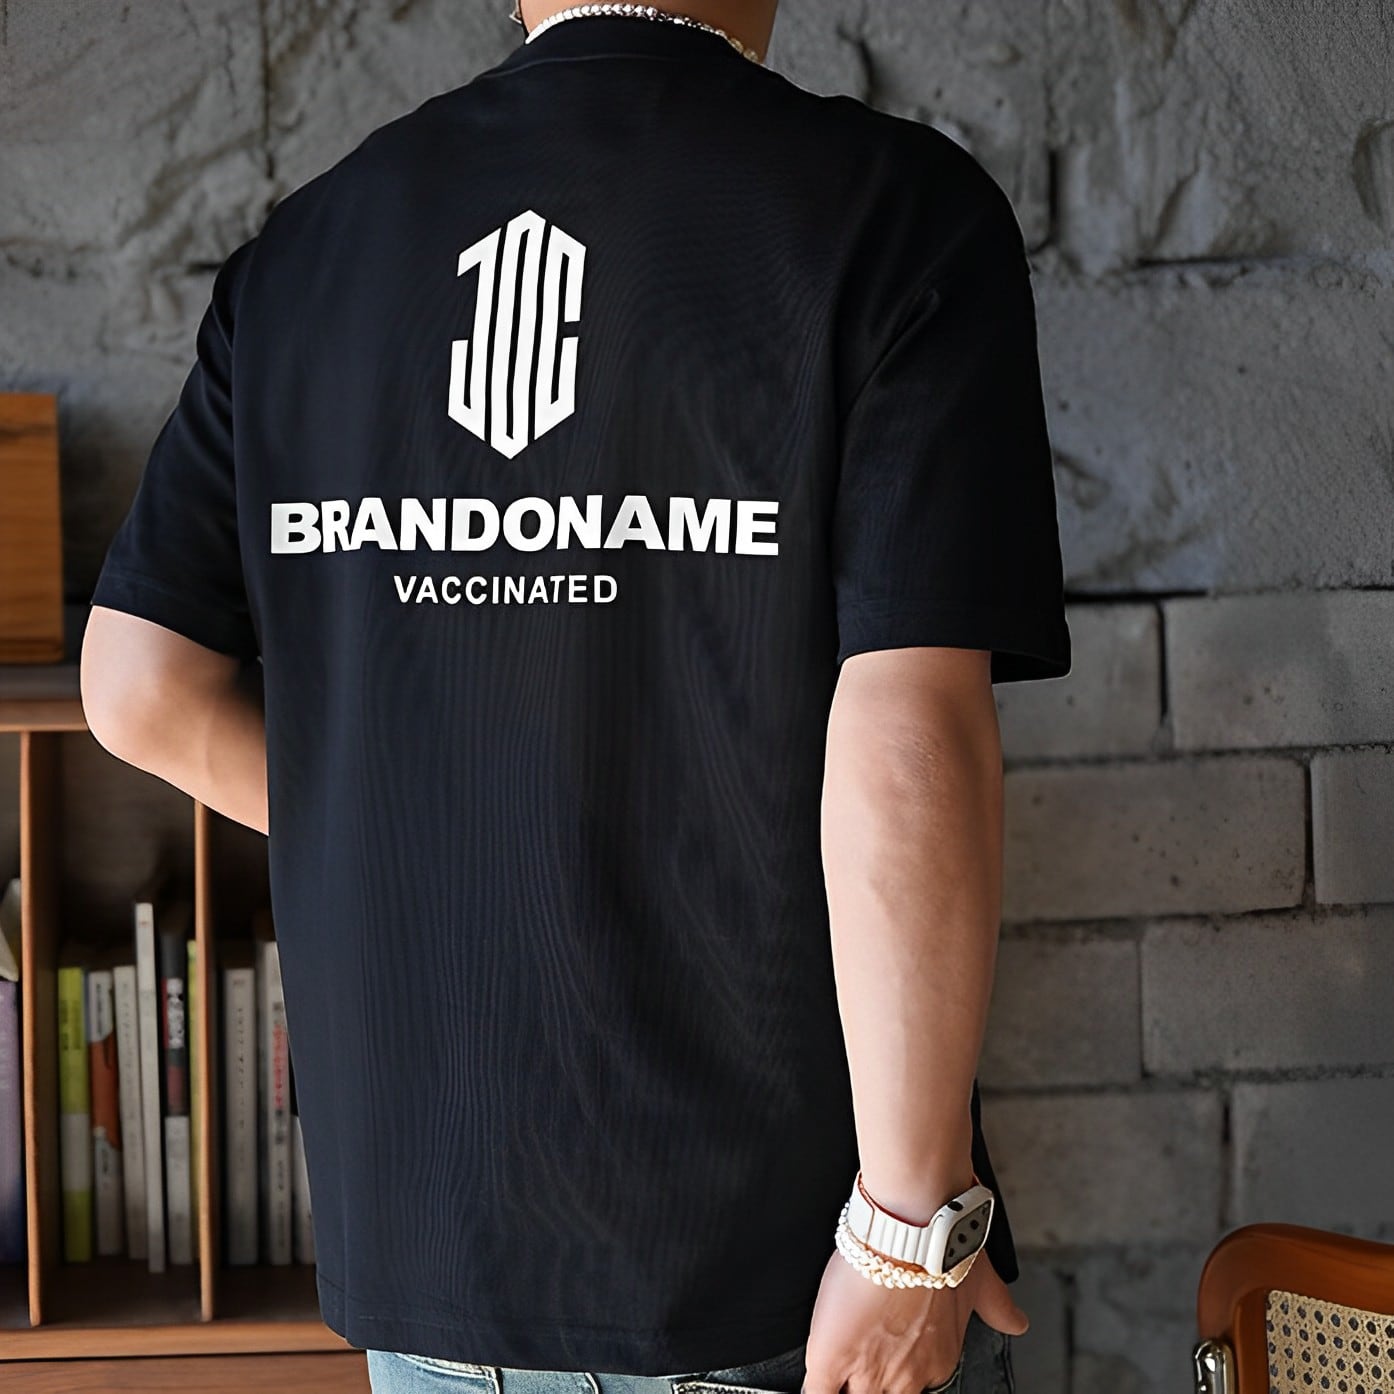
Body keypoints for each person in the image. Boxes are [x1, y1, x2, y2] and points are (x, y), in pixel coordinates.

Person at [79, 1, 1071, 1392]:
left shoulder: (311, 246)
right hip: (760, 1263)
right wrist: (911, 1228)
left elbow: (138, 684)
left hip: (431, 1261)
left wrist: (447, 841)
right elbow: (909, 734)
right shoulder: (889, 217)